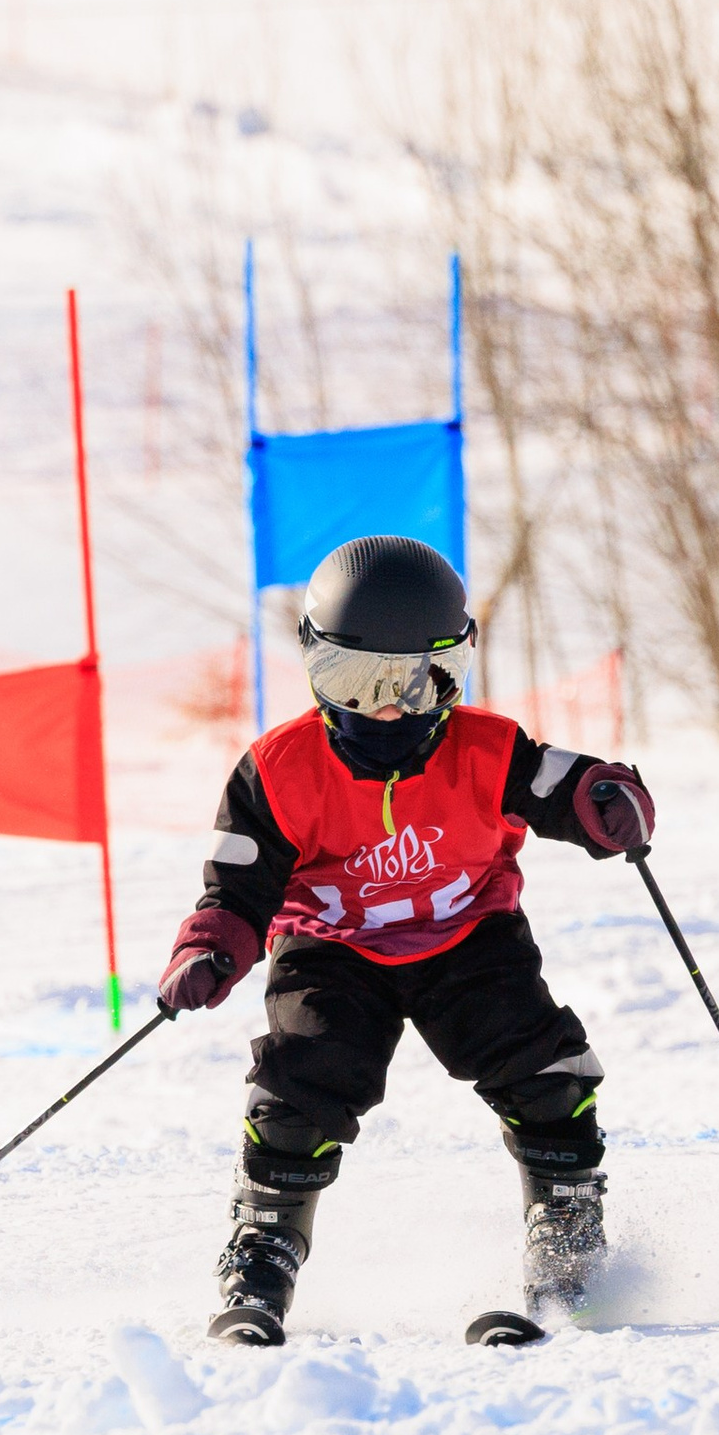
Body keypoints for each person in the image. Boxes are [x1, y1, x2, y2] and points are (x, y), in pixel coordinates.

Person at [158, 533, 657, 1345]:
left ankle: (567, 1238)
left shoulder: (487, 747)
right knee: (304, 1077)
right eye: (359, 681)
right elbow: (237, 883)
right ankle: (264, 1248)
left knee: (541, 1064)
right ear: (317, 668)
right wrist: (211, 943)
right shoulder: (277, 770)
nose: (392, 706)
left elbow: (560, 783)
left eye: (424, 680)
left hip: (469, 934)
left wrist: (605, 797)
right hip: (332, 946)